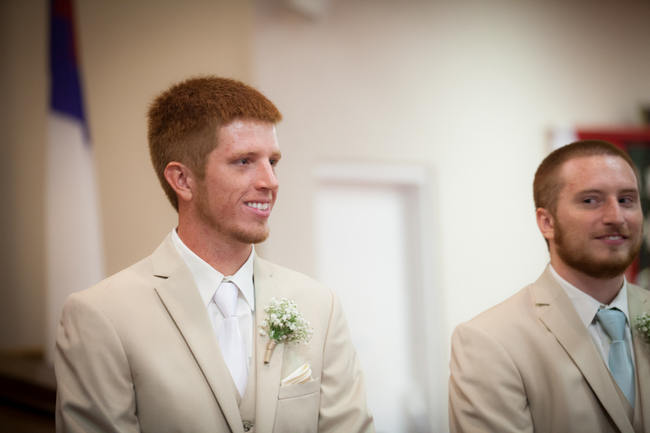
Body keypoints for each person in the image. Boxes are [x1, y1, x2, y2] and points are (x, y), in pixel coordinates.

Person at [55, 76, 374, 433]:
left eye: (273, 161)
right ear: (183, 180)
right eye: (244, 161)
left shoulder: (320, 306)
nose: (270, 180)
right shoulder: (102, 316)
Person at [449, 140, 650, 433]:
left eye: (626, 200)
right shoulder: (490, 341)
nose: (616, 217)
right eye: (590, 200)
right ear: (547, 222)